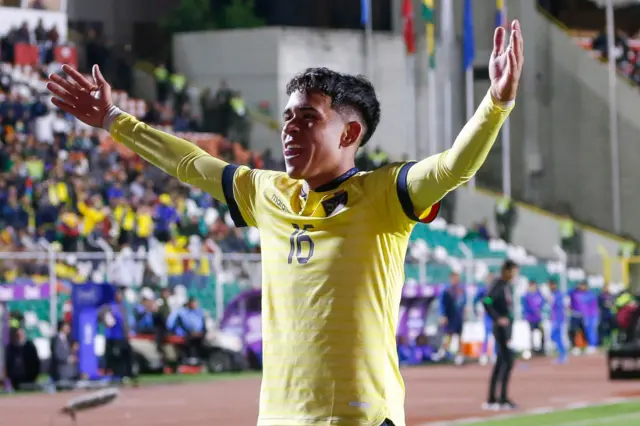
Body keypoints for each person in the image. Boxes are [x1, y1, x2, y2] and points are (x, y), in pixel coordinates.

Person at [45, 19, 524, 426]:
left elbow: (453, 167)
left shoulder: (385, 194)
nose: (290, 128)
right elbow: (191, 163)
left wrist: (496, 103)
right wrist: (112, 118)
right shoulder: (267, 193)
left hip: (358, 416)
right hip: (278, 416)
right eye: (288, 117)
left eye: (308, 118)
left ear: (350, 132)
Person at [483, 260, 519, 411]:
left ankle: (494, 398)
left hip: (507, 328)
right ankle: (500, 398)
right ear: (507, 271)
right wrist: (497, 318)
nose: (516, 275)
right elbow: (487, 300)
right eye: (514, 271)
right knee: (507, 361)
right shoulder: (498, 285)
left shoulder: (507, 286)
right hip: (501, 328)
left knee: (502, 362)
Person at [438, 272, 467, 365]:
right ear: (451, 278)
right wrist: (443, 315)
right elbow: (442, 303)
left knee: (460, 336)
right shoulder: (446, 290)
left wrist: (464, 310)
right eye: (455, 278)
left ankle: (460, 356)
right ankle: (443, 351)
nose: (457, 279)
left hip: (458, 316)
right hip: (450, 316)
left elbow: (464, 301)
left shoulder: (461, 289)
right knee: (448, 335)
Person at [569, 281, 599, 355]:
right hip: (577, 315)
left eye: (583, 285)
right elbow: (568, 293)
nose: (582, 287)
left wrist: (594, 316)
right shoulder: (574, 293)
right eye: (580, 285)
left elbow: (594, 306)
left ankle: (592, 346)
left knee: (589, 330)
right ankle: (577, 347)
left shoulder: (590, 295)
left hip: (589, 315)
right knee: (575, 331)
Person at [474, 274, 494, 366]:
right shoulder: (483, 289)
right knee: (486, 335)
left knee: (496, 336)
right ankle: (484, 354)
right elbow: (477, 299)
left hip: (496, 315)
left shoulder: (496, 289)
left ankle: (495, 354)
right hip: (487, 315)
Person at [521, 280, 545, 356]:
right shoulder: (526, 296)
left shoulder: (539, 294)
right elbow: (525, 307)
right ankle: (532, 349)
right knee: (531, 333)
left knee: (542, 332)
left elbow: (543, 304)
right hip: (531, 318)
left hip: (539, 318)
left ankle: (542, 348)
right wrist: (534, 311)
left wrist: (540, 311)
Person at [548, 280, 567, 364]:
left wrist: (558, 320)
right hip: (554, 318)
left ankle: (562, 355)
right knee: (554, 336)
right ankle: (562, 354)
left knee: (556, 336)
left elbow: (560, 307)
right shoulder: (553, 295)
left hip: (558, 319)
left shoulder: (558, 295)